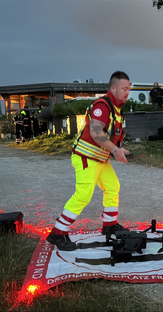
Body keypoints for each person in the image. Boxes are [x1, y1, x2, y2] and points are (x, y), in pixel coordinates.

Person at [46, 71, 130, 251]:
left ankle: (109, 226)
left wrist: (118, 150)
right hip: (86, 158)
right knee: (83, 195)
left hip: (99, 159)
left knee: (112, 186)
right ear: (113, 88)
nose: (127, 92)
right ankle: (58, 233)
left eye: (129, 89)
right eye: (124, 88)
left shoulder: (115, 109)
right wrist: (116, 151)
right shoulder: (103, 106)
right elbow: (96, 132)